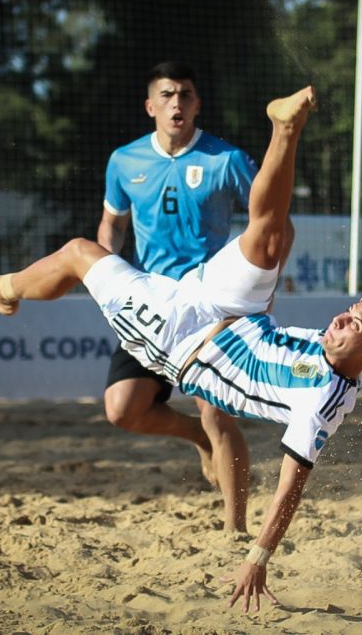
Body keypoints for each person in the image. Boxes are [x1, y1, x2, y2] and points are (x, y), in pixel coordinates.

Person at [0, 87, 362, 610]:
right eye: (352, 313)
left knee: (78, 252)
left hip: (178, 340)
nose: (344, 317)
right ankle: (285, 125)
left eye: (354, 327)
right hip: (232, 308)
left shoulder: (321, 401)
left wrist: (258, 556)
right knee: (272, 235)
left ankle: (6, 291)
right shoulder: (352, 337)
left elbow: (291, 486)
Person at [99, 61, 262, 531]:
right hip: (149, 300)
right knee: (122, 410)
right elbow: (112, 223)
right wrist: (112, 276)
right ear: (150, 106)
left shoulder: (225, 159)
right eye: (168, 95)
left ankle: (235, 530)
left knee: (217, 414)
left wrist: (259, 278)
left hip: (211, 305)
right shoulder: (124, 161)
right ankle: (193, 434)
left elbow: (267, 218)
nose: (177, 102)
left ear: (197, 105)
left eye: (186, 95)